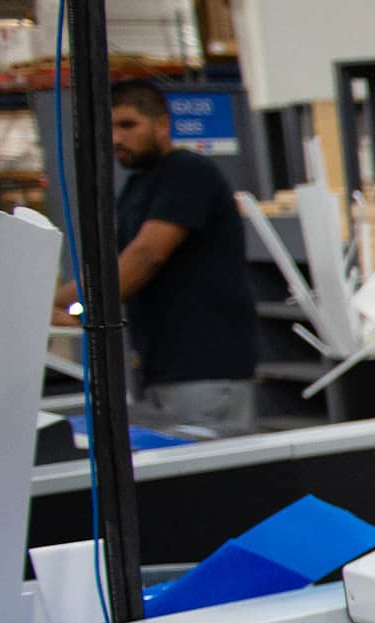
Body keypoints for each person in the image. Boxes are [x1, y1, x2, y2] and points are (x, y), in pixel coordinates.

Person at [53, 80, 258, 434]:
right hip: (157, 369)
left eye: (128, 125)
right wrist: (44, 305)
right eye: (109, 127)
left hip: (203, 368)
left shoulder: (188, 172)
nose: (116, 138)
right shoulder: (137, 186)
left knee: (208, 480)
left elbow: (147, 255)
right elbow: (110, 269)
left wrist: (84, 310)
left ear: (162, 125)